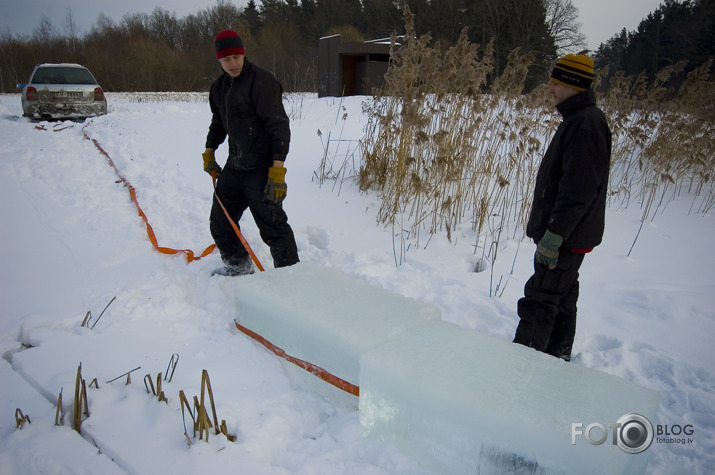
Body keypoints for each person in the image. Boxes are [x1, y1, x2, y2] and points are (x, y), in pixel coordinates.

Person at [513, 54, 611, 361]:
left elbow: (578, 191)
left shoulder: (585, 123)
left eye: (556, 83)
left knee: (541, 298)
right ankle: (557, 359)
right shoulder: (579, 120)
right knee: (563, 296)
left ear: (573, 85)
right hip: (570, 236)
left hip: (564, 237)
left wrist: (554, 236)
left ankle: (521, 368)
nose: (551, 89)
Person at [202, 30, 299, 276]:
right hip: (235, 168)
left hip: (262, 169)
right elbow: (218, 123)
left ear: (243, 54)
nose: (232, 64)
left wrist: (277, 171)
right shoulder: (218, 88)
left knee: (273, 227)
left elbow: (279, 127)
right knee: (220, 222)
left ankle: (292, 282)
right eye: (226, 59)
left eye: (236, 56)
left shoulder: (262, 83)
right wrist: (209, 152)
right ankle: (238, 267)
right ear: (219, 61)